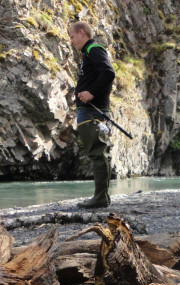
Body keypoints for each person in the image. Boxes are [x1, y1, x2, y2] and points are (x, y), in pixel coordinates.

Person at [68, 21, 116, 208]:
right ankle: (100, 196)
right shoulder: (88, 53)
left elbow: (108, 73)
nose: (71, 41)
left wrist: (91, 93)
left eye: (72, 37)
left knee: (98, 152)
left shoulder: (94, 49)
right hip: (88, 111)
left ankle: (101, 198)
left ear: (82, 33)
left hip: (93, 111)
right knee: (97, 152)